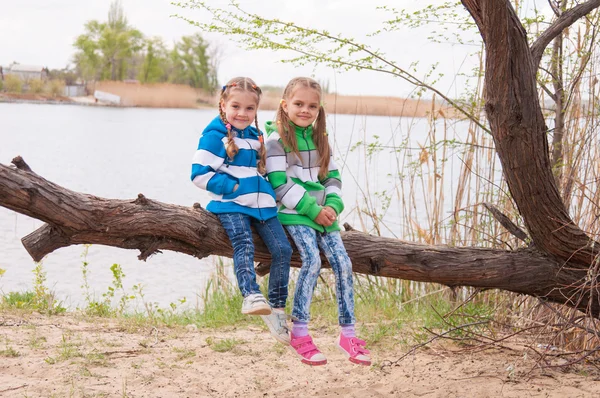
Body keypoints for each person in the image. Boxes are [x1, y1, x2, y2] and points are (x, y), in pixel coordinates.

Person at [265, 77, 371, 366]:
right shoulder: (276, 140)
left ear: (319, 109)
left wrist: (333, 205)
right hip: (295, 211)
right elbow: (278, 184)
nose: (305, 110)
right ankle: (300, 332)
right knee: (311, 260)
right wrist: (313, 210)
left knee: (343, 263)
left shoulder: (319, 139)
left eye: (312, 105)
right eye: (298, 104)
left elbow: (332, 177)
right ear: (285, 105)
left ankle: (347, 333)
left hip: (325, 215)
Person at [191, 76, 292, 344]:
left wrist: (271, 193)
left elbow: (260, 170)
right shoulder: (214, 135)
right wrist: (233, 188)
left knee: (283, 250)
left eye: (250, 109)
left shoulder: (256, 136)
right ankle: (250, 295)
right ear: (223, 104)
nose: (242, 114)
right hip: (231, 204)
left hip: (262, 206)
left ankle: (277, 308)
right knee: (244, 243)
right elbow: (199, 175)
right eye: (236, 107)